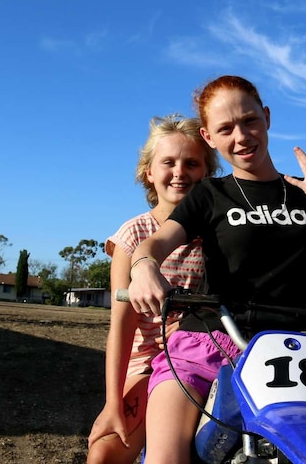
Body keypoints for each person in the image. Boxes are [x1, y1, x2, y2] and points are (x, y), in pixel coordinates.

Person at [127, 75, 306, 464]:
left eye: (249, 120)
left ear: (266, 117)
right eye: (225, 129)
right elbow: (155, 243)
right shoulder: (209, 194)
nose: (242, 136)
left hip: (289, 353)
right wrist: (144, 266)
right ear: (209, 137)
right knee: (167, 458)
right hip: (207, 344)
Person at [86, 114, 220, 464]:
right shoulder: (134, 235)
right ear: (148, 172)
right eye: (168, 162)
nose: (180, 172)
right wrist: (113, 403)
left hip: (202, 356)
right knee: (103, 454)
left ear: (206, 172)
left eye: (192, 163)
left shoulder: (219, 235)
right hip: (146, 363)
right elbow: (122, 325)